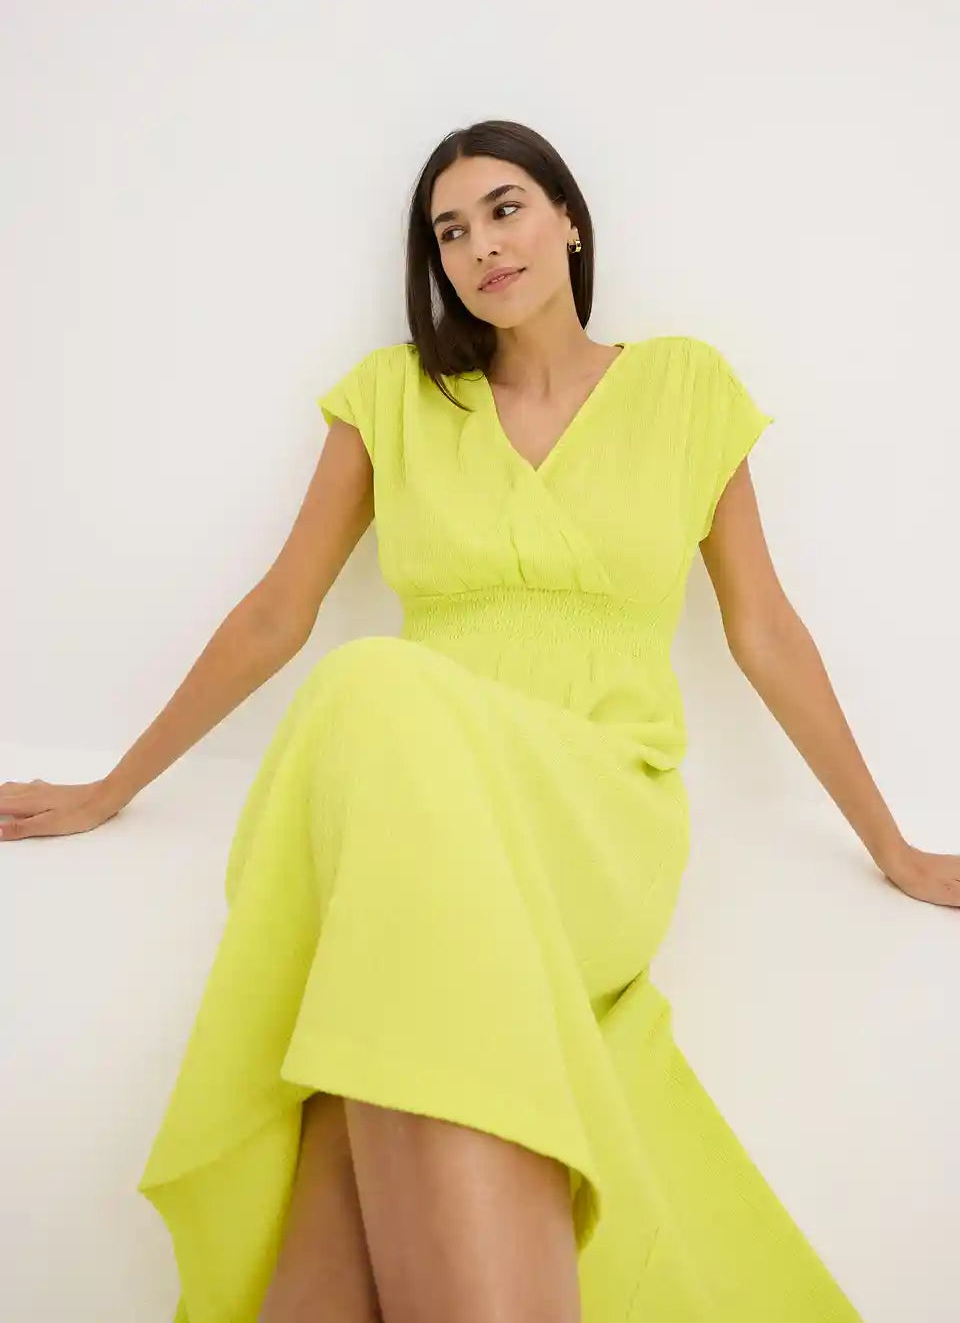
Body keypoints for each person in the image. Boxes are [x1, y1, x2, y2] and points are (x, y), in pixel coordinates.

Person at [3, 118, 957, 1323]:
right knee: (374, 738)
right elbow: (276, 615)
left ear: (570, 221)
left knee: (373, 696)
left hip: (596, 806)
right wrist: (108, 789)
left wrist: (892, 847)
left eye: (505, 209)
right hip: (415, 809)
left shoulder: (684, 386)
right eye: (449, 232)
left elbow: (765, 632)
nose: (480, 247)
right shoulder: (391, 398)